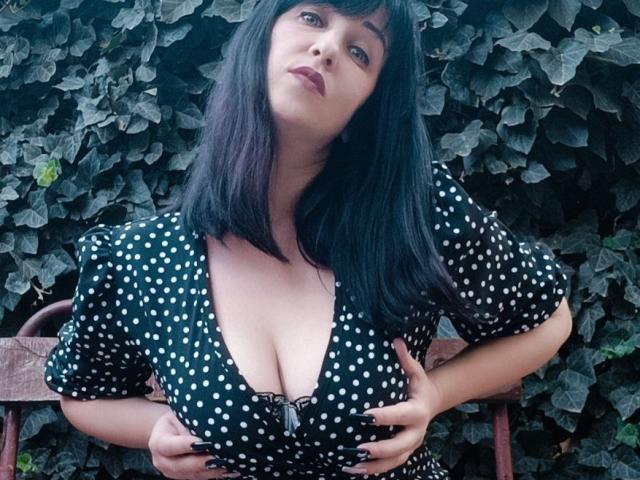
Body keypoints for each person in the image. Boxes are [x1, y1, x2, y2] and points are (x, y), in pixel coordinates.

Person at [43, 1, 573, 479]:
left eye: (361, 52)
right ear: (261, 39)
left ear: (367, 106)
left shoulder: (413, 213)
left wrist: (435, 394)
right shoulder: (139, 257)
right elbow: (84, 392)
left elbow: (549, 321)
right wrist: (154, 430)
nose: (327, 48)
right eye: (312, 18)